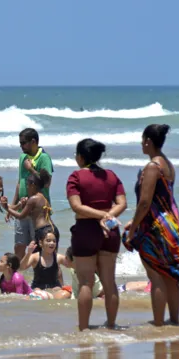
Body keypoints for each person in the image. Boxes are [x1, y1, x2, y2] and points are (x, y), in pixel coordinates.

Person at [123, 124, 179, 326]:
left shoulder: (152, 167)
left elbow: (144, 203)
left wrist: (133, 229)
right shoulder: (167, 165)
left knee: (156, 274)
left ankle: (158, 324)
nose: (141, 144)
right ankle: (174, 321)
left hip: (154, 227)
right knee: (170, 274)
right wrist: (132, 221)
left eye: (142, 140)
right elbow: (162, 201)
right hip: (169, 223)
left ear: (148, 142)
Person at [66, 138, 127, 331]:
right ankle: (111, 324)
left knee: (85, 282)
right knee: (109, 282)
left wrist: (100, 215)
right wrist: (106, 215)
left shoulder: (76, 177)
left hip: (86, 230)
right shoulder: (111, 176)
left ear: (81, 157)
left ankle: (83, 329)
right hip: (110, 230)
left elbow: (77, 206)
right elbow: (122, 203)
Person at [9, 128, 54, 260]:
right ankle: (20, 277)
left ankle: (38, 276)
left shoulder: (44, 158)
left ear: (33, 141)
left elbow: (46, 183)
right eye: (20, 143)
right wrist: (12, 206)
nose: (21, 146)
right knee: (19, 246)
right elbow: (20, 182)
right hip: (22, 207)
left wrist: (31, 169)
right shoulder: (23, 157)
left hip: (38, 212)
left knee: (38, 247)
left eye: (24, 143)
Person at [6, 169, 59, 246]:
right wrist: (23, 205)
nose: (27, 188)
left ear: (33, 185)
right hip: (52, 229)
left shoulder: (33, 199)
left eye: (28, 185)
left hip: (43, 231)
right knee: (49, 257)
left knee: (38, 256)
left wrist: (7, 208)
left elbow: (21, 216)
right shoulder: (43, 197)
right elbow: (34, 215)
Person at [19, 231, 72, 300]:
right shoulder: (35, 257)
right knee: (36, 292)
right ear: (41, 243)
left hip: (55, 289)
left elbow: (72, 265)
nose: (52, 243)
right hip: (38, 289)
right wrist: (28, 253)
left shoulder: (58, 258)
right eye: (48, 240)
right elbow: (21, 268)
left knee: (64, 293)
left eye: (54, 241)